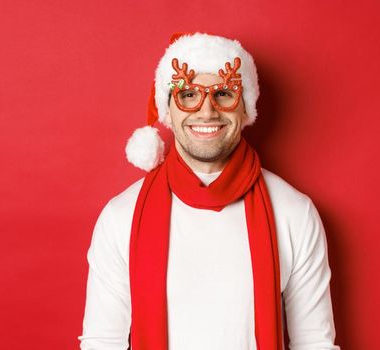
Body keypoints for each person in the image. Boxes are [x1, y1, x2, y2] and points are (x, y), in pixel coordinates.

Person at [79, 32, 340, 350]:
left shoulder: (293, 212)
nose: (206, 112)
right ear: (167, 110)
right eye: (188, 95)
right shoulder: (122, 216)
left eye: (224, 94)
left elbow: (315, 342)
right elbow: (102, 343)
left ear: (245, 109)